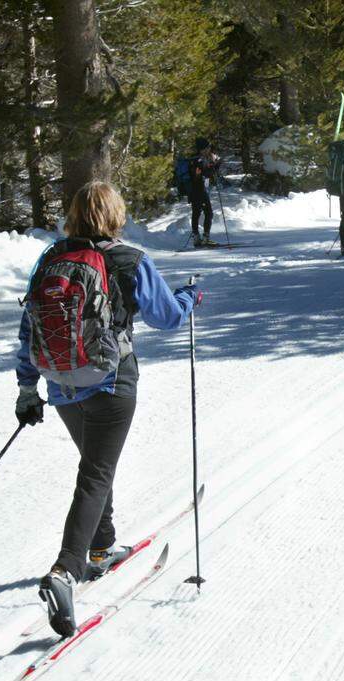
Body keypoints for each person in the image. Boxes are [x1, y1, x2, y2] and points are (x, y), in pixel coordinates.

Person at [15, 180, 202, 637]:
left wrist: (26, 389)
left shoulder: (51, 259)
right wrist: (189, 296)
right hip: (112, 382)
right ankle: (65, 571)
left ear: (75, 214)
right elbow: (167, 318)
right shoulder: (129, 259)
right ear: (116, 214)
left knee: (95, 463)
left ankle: (101, 548)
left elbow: (29, 326)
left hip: (61, 384)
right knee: (97, 472)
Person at [189, 137, 221, 247]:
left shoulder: (196, 159)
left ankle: (197, 238)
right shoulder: (199, 160)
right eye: (207, 147)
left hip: (195, 191)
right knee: (208, 213)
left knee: (196, 213)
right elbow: (204, 174)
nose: (209, 149)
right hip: (199, 190)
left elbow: (205, 173)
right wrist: (215, 165)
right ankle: (205, 238)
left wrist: (213, 164)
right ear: (202, 149)